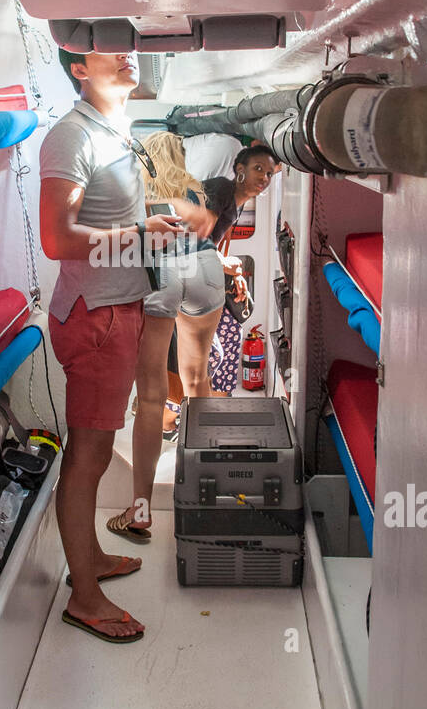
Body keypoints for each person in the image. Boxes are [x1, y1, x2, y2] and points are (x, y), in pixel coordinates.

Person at [39, 49, 201, 643]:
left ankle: (93, 559)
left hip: (119, 308)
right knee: (86, 459)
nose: (129, 53)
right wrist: (139, 235)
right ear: (79, 69)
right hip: (96, 318)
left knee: (97, 454)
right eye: (107, 46)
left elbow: (111, 223)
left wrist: (157, 223)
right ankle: (85, 597)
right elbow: (57, 238)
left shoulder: (115, 130)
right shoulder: (70, 136)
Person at [105, 132, 224, 543]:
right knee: (196, 380)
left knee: (152, 396)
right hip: (208, 268)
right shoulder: (194, 190)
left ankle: (140, 510)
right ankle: (208, 497)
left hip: (164, 270)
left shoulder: (137, 187)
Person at [204, 146, 280, 396]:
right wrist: (227, 266)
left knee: (231, 330)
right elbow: (192, 241)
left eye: (269, 173)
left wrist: (232, 273)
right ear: (240, 170)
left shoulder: (236, 206)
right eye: (258, 168)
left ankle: (218, 399)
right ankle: (170, 416)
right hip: (181, 278)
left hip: (200, 273)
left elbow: (208, 248)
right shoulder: (221, 190)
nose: (264, 178)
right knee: (211, 354)